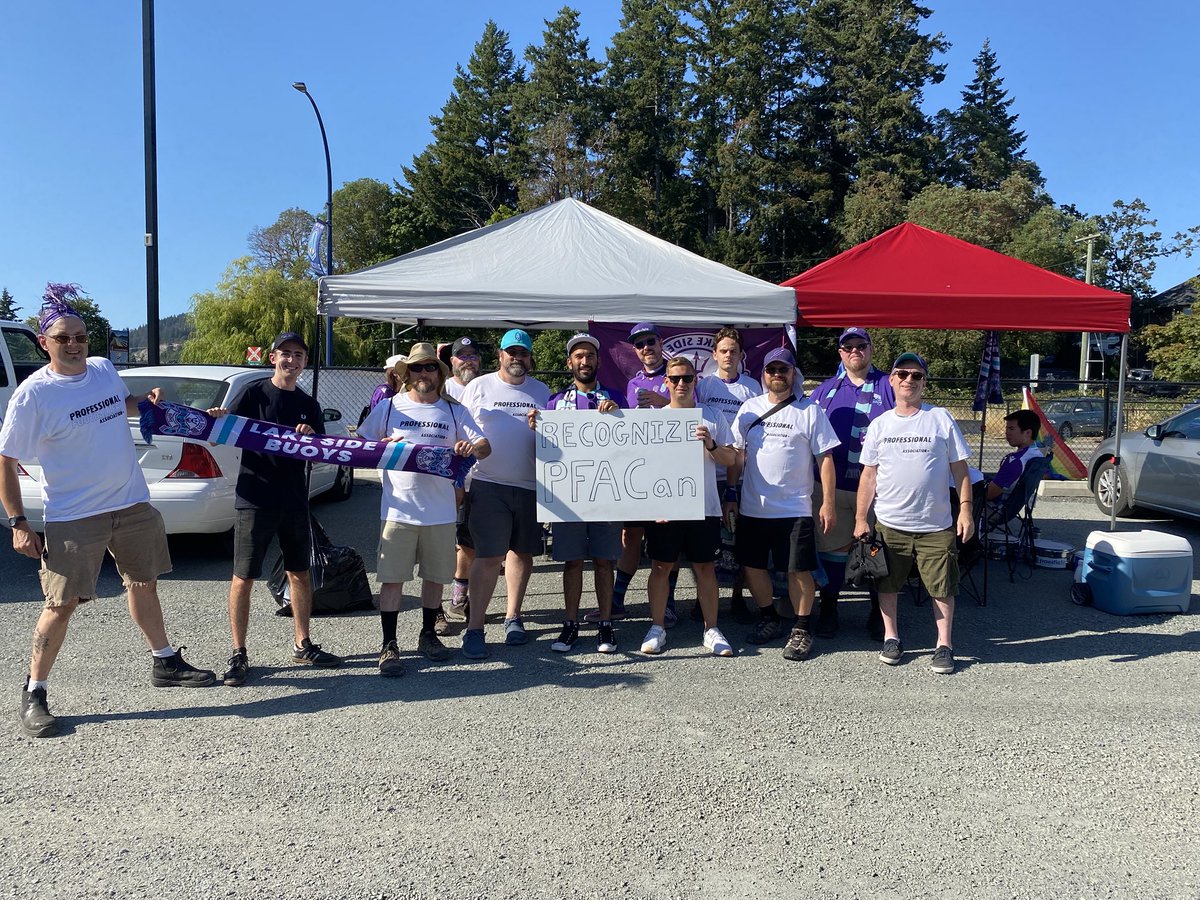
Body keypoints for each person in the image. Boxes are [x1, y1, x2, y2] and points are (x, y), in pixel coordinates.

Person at [2, 291, 215, 738]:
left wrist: (148, 400)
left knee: (144, 584)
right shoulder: (32, 395)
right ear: (45, 342)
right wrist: (18, 522)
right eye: (64, 338)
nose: (75, 344)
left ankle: (164, 662)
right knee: (61, 604)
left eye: (80, 336)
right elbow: (5, 459)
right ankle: (35, 691)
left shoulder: (102, 368)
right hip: (74, 514)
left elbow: (124, 404)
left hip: (131, 504)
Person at [211, 331, 343, 686]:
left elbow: (318, 451)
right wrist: (218, 418)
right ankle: (238, 652)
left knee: (299, 573)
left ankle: (303, 643)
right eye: (285, 353)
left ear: (303, 362)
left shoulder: (308, 404)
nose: (292, 360)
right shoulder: (254, 394)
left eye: (298, 355)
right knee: (244, 577)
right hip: (255, 498)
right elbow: (223, 430)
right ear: (273, 358)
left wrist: (311, 437)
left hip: (295, 500)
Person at [358, 342, 490, 676]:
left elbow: (484, 447)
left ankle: (428, 635)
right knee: (392, 581)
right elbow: (360, 446)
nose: (424, 373)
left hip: (440, 511)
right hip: (398, 511)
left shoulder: (454, 410)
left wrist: (469, 446)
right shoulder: (389, 407)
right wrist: (378, 448)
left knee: (434, 579)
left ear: (439, 373)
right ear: (407, 373)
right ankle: (389, 645)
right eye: (417, 368)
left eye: (430, 367)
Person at [854, 352, 974, 675]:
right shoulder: (880, 425)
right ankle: (891, 638)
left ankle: (944, 644)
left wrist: (965, 510)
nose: (909, 380)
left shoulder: (940, 419)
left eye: (916, 375)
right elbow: (869, 476)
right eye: (902, 374)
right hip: (891, 525)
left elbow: (960, 470)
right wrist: (860, 518)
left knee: (943, 586)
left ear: (924, 382)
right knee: (888, 583)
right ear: (891, 380)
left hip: (936, 525)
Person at [733, 348, 840, 662]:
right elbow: (736, 455)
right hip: (753, 507)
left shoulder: (810, 411)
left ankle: (802, 627)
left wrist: (828, 503)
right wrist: (730, 493)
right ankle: (769, 616)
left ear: (794, 374)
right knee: (752, 567)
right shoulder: (749, 408)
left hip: (794, 509)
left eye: (783, 369)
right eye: (771, 370)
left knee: (798, 570)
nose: (777, 375)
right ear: (763, 374)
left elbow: (826, 458)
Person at [458, 329, 551, 659]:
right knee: (488, 556)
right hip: (488, 483)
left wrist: (543, 429)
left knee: (522, 554)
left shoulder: (542, 391)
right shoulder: (479, 386)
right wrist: (460, 482)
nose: (517, 358)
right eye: (511, 352)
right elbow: (460, 428)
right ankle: (474, 627)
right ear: (500, 355)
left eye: (523, 353)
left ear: (529, 358)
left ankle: (513, 617)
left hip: (529, 486)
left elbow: (556, 438)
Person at [531, 333, 625, 654]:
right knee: (571, 562)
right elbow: (546, 453)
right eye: (579, 356)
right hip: (569, 497)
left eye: (590, 356)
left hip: (606, 493)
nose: (585, 362)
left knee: (603, 562)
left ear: (598, 361)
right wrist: (538, 430)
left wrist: (620, 418)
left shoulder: (616, 399)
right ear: (569, 362)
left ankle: (605, 625)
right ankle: (570, 624)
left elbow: (631, 445)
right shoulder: (555, 403)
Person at [640, 357, 739, 657]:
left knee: (705, 568)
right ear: (666, 382)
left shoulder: (712, 415)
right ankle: (657, 627)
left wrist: (710, 445)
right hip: (665, 508)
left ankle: (711, 629)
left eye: (688, 378)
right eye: (676, 378)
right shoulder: (653, 419)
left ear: (696, 381)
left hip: (704, 507)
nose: (682, 383)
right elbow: (641, 466)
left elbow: (731, 459)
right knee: (660, 568)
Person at [810, 328, 895, 639]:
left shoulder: (889, 385)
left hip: (875, 488)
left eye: (861, 345)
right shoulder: (824, 391)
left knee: (875, 550)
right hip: (830, 488)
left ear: (871, 349)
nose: (855, 351)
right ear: (840, 353)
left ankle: (877, 612)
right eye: (848, 347)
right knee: (832, 549)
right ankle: (830, 608)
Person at [603, 322, 679, 626]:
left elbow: (692, 410)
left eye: (650, 341)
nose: (645, 348)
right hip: (639, 473)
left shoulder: (676, 375)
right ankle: (618, 599)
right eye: (639, 344)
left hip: (669, 471)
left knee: (665, 541)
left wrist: (666, 403)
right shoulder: (632, 383)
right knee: (630, 535)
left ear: (660, 343)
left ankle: (669, 603)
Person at [695, 326, 761, 621]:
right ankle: (703, 599)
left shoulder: (751, 387)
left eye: (734, 351)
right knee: (707, 543)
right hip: (707, 471)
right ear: (714, 354)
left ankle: (737, 597)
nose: (728, 355)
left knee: (737, 540)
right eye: (723, 350)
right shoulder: (705, 384)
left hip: (739, 473)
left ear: (741, 355)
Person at [440, 335, 482, 625]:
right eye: (461, 355)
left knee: (469, 542)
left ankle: (459, 595)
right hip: (445, 480)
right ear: (451, 361)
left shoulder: (488, 386)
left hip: (478, 478)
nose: (468, 360)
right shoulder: (441, 390)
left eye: (472, 355)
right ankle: (436, 607)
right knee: (439, 543)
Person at [985, 409, 1044, 504]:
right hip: (1013, 506)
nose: (1006, 432)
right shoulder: (1038, 454)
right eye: (1007, 428)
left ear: (1028, 433)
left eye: (1011, 429)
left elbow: (989, 494)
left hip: (992, 509)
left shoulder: (1015, 461)